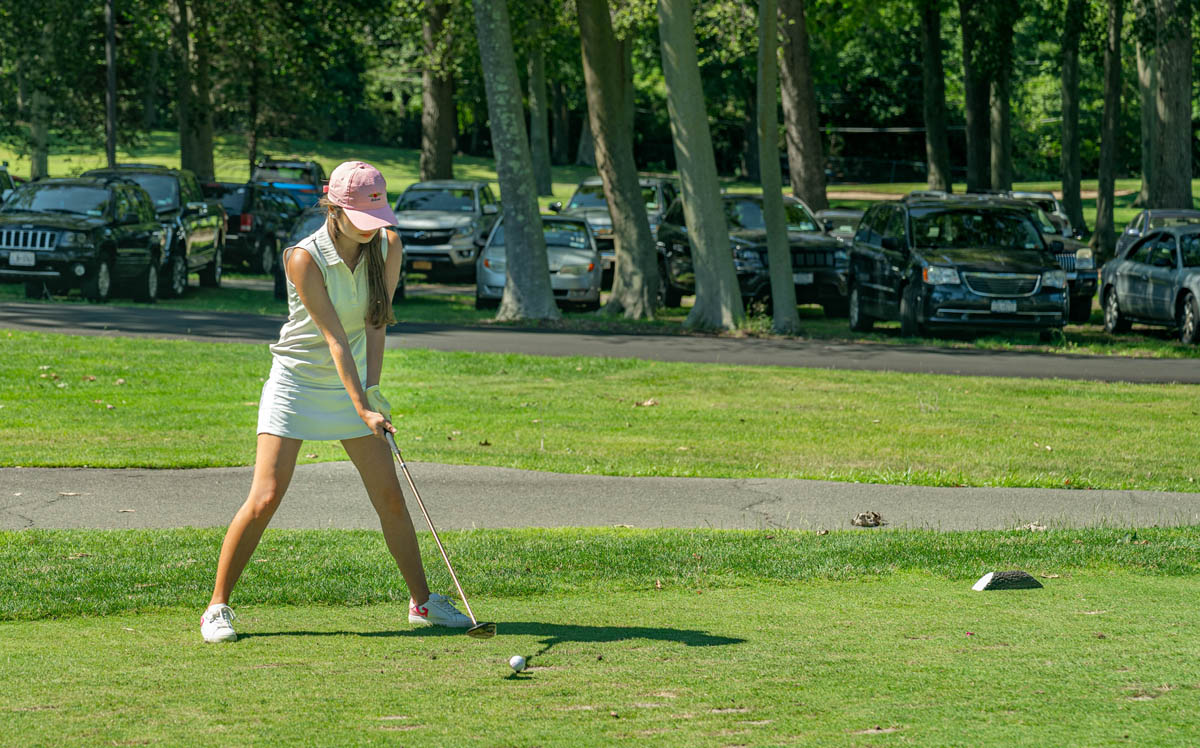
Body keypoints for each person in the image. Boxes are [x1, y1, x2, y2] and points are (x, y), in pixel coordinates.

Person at [200, 160, 472, 643]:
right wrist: (362, 404)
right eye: (361, 219)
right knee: (265, 497)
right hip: (297, 382)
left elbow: (375, 323)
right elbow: (335, 340)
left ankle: (423, 603)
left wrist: (373, 391)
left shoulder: (387, 245)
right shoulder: (304, 258)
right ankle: (217, 607)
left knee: (390, 496)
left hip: (355, 386)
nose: (370, 229)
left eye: (376, 218)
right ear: (334, 209)